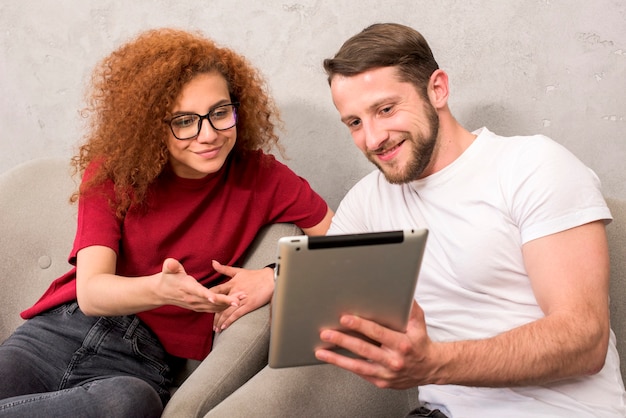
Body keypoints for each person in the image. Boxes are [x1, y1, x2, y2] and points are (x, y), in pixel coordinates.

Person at [0, 28, 332, 417]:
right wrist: (162, 289)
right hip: (54, 334)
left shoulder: (263, 177)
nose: (208, 134)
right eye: (185, 120)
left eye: (221, 113)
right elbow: (91, 293)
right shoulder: (113, 174)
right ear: (152, 124)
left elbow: (349, 245)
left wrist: (276, 276)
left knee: (130, 404)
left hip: (140, 362)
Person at [312, 23, 626, 417]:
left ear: (437, 89)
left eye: (386, 109)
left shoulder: (532, 165)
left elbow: (585, 340)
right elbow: (317, 301)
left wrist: (435, 363)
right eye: (355, 123)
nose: (373, 139)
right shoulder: (367, 200)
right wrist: (270, 278)